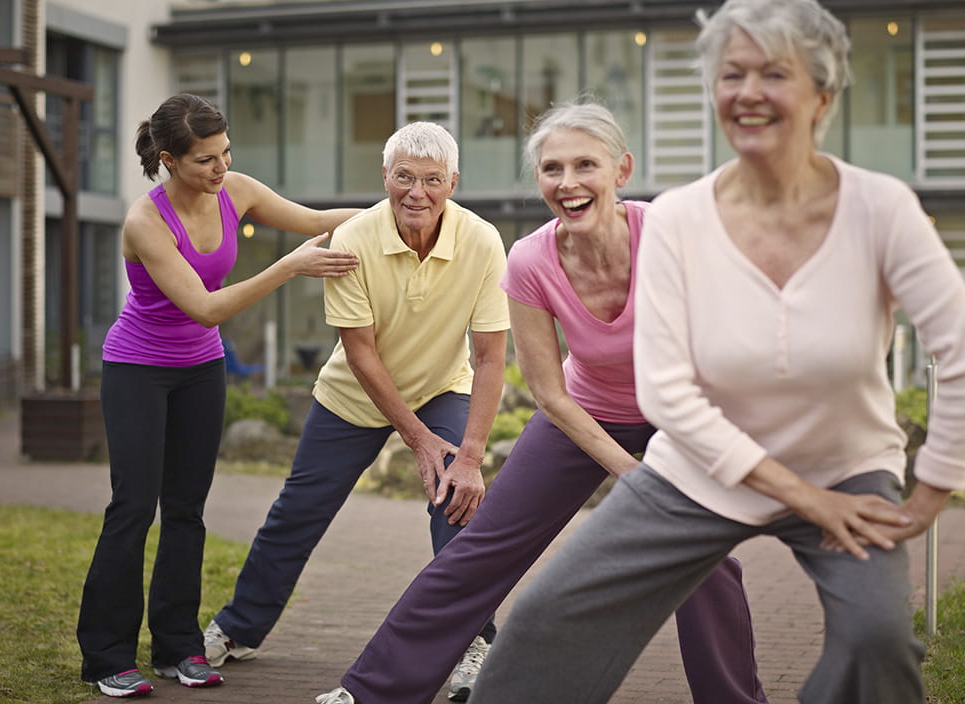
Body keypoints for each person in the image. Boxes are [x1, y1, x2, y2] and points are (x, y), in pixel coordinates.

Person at [468, 1, 965, 703]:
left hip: (844, 472)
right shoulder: (681, 218)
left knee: (878, 641)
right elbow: (665, 392)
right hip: (698, 469)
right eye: (732, 74)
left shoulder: (881, 209)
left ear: (823, 95)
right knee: (545, 622)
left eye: (774, 73)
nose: (748, 92)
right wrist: (796, 496)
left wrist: (928, 495)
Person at [316, 102, 768, 704]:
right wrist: (629, 473)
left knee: (705, 552)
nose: (569, 182)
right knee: (480, 545)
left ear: (621, 171)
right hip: (581, 409)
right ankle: (371, 692)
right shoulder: (530, 259)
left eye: (586, 165)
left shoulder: (670, 237)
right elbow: (549, 394)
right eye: (552, 168)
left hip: (677, 410)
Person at [203, 121, 510, 697]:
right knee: (297, 513)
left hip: (444, 386)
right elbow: (361, 354)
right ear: (385, 177)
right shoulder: (353, 238)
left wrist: (468, 455)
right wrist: (419, 441)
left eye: (432, 180)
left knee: (457, 505)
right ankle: (238, 627)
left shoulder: (483, 241)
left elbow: (492, 356)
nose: (416, 192)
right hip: (353, 394)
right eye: (403, 177)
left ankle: (475, 642)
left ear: (453, 183)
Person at [76, 93, 361, 699]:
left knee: (187, 509)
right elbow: (206, 308)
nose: (221, 168)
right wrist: (287, 269)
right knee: (133, 509)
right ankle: (106, 654)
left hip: (200, 371)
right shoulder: (144, 223)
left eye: (226, 153)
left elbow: (316, 221)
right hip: (137, 369)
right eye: (206, 159)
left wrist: (404, 210)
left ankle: (178, 646)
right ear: (168, 160)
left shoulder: (236, 191)